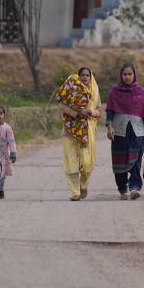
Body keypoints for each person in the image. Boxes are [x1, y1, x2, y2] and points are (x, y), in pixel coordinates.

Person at [105, 63, 144, 199]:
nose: (127, 77)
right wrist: (109, 126)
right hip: (119, 131)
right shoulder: (115, 91)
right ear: (121, 75)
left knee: (136, 160)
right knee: (119, 159)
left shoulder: (141, 92)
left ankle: (135, 187)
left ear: (134, 75)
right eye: (124, 74)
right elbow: (110, 111)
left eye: (130, 74)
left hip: (138, 131)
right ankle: (122, 189)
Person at [55, 66, 102, 201]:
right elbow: (61, 105)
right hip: (70, 130)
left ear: (91, 77)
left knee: (87, 163)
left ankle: (84, 184)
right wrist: (76, 114)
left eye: (87, 75)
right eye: (82, 75)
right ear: (78, 76)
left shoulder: (94, 91)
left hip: (88, 130)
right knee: (71, 161)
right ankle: (75, 191)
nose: (85, 78)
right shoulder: (70, 89)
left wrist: (89, 112)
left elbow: (99, 112)